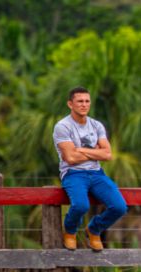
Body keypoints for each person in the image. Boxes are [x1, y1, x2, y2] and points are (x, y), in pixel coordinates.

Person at [52, 86, 127, 252]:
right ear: (70, 104)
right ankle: (70, 231)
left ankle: (94, 229)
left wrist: (82, 150)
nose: (84, 105)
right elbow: (71, 159)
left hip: (96, 173)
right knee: (80, 206)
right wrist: (95, 152)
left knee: (119, 207)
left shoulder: (96, 125)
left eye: (87, 101)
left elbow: (107, 155)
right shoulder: (63, 126)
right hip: (73, 174)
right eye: (80, 101)